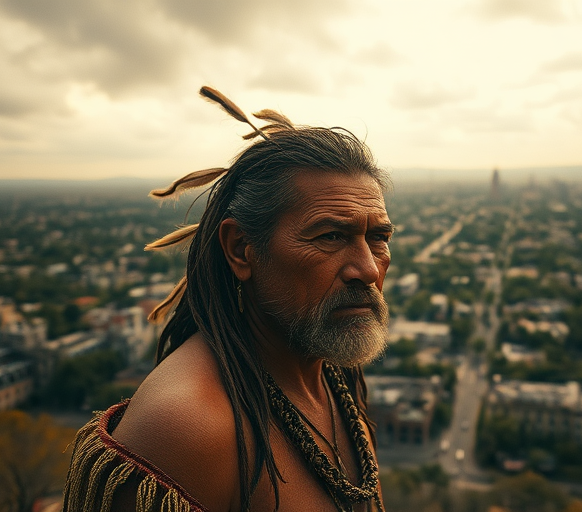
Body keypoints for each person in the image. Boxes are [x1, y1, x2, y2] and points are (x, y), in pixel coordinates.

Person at [63, 87, 394, 512]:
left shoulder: (332, 377)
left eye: (379, 237)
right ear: (241, 249)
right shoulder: (188, 424)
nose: (367, 268)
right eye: (330, 236)